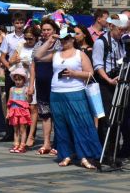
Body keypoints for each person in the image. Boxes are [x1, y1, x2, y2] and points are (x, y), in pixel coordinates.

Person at [35, 26, 101, 169]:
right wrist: (50, 40)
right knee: (61, 126)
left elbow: (90, 73)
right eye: (62, 39)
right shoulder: (56, 53)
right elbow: (38, 56)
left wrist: (74, 73)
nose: (64, 41)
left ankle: (85, 156)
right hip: (57, 93)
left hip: (76, 93)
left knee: (81, 125)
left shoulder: (80, 54)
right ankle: (66, 154)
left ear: (72, 38)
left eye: (66, 38)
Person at [92, 15, 129, 156]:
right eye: (120, 29)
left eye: (124, 30)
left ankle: (114, 150)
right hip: (106, 84)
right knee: (107, 119)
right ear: (112, 26)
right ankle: (104, 152)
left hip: (118, 83)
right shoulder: (101, 42)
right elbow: (98, 65)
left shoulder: (122, 42)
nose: (122, 32)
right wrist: (108, 79)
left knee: (118, 118)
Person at [29, 18, 60, 155]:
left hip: (55, 84)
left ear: (54, 30)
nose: (46, 32)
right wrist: (31, 85)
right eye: (44, 30)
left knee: (57, 115)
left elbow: (50, 57)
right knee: (45, 114)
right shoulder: (39, 43)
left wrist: (49, 46)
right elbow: (35, 61)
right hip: (41, 84)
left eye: (49, 30)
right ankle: (46, 142)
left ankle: (58, 142)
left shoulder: (59, 43)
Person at [0, 12, 26, 143]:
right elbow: (2, 57)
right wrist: (9, 67)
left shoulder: (28, 36)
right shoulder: (8, 38)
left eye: (21, 22)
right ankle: (10, 132)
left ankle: (26, 133)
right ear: (13, 24)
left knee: (26, 102)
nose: (19, 25)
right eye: (17, 23)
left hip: (26, 72)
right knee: (11, 102)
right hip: (13, 73)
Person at [15, 25, 41, 148]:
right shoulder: (21, 45)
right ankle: (21, 135)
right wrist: (17, 60)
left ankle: (31, 135)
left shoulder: (39, 47)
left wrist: (30, 64)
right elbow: (11, 60)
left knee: (33, 107)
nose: (28, 41)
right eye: (26, 38)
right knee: (22, 108)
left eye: (30, 38)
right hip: (21, 78)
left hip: (33, 79)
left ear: (36, 38)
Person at [6, 68, 32, 154]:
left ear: (24, 80)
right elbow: (9, 102)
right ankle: (16, 144)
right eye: (16, 80)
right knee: (15, 129)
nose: (17, 82)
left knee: (23, 129)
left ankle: (22, 145)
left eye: (19, 80)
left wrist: (29, 95)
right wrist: (8, 112)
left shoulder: (26, 89)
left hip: (22, 112)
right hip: (14, 111)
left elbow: (29, 101)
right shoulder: (12, 89)